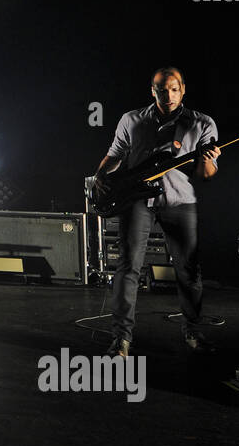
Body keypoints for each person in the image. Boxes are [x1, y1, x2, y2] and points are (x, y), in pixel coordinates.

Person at [92, 67, 221, 356]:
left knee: (188, 270)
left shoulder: (201, 123)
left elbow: (207, 174)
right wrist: (100, 178)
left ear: (183, 89)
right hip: (138, 200)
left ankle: (193, 332)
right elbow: (115, 154)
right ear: (153, 91)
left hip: (179, 199)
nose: (169, 95)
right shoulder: (132, 120)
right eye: (162, 90)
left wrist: (209, 159)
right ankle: (121, 339)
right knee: (128, 267)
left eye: (174, 89)